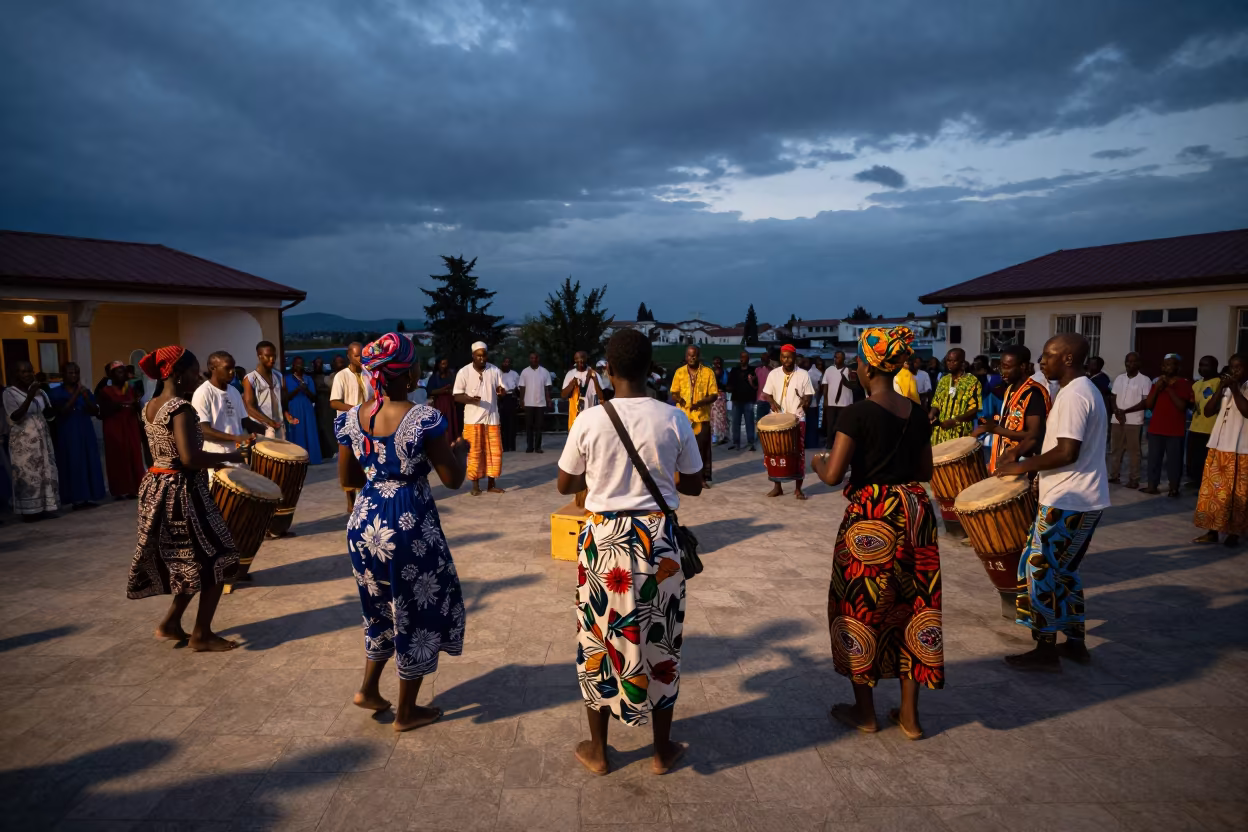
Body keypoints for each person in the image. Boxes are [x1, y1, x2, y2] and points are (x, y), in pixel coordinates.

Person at [556, 328, 703, 775]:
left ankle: (600, 752)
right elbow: (694, 484)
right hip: (659, 543)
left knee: (598, 640)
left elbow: (565, 483)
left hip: (603, 542)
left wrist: (602, 478)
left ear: (609, 369)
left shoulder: (590, 420)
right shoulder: (674, 418)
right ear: (650, 368)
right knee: (662, 640)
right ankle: (661, 752)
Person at [810, 325, 941, 739]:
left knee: (860, 609)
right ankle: (910, 716)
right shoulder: (917, 413)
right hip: (916, 512)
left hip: (873, 515)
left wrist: (818, 463)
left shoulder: (856, 413)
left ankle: (865, 713)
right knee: (915, 607)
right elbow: (924, 472)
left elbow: (832, 475)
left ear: (867, 368)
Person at [335, 333, 469, 731]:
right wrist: (459, 452)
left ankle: (369, 689)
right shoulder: (423, 417)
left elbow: (347, 477)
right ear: (407, 374)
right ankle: (407, 712)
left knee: (379, 609)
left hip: (364, 523)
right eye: (415, 364)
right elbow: (453, 479)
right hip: (408, 523)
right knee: (416, 611)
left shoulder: (352, 419)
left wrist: (378, 466)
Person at [995, 334, 1109, 671]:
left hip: (1072, 499)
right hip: (1072, 497)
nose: (1042, 362)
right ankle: (1075, 643)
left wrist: (1020, 466)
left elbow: (1067, 451)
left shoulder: (1075, 394)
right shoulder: (1078, 390)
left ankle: (1045, 649)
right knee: (1065, 573)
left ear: (1069, 358)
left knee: (1038, 569)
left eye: (1048, 356)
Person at [126, 346, 245, 652]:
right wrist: (228, 456)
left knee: (194, 563)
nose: (199, 375)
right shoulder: (181, 408)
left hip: (157, 486)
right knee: (222, 558)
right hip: (183, 491)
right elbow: (190, 457)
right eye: (194, 371)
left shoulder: (149, 406)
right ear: (177, 374)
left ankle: (170, 624)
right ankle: (201, 634)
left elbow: (149, 454)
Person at [1193, 355, 1247, 547]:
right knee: (1214, 493)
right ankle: (1212, 531)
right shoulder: (1225, 389)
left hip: (1240, 449)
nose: (1234, 371)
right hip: (1218, 446)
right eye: (1232, 367)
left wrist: (1234, 389)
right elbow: (1208, 411)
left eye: (1239, 367)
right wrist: (1219, 390)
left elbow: (1246, 411)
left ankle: (1234, 533)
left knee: (1236, 494)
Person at [974, 345, 1050, 473]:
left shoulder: (1033, 393)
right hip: (1004, 460)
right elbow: (1010, 422)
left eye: (1007, 367)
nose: (1002, 371)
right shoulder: (1009, 389)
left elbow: (1034, 435)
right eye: (1001, 366)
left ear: (1023, 367)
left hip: (1022, 465)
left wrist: (998, 430)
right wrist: (987, 426)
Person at [191, 352, 259, 484]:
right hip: (217, 461)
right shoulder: (203, 393)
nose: (232, 372)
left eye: (233, 368)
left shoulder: (234, 391)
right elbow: (203, 430)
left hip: (237, 457)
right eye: (227, 368)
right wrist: (236, 437)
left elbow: (244, 421)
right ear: (213, 368)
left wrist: (265, 431)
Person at [3, 361, 60, 521]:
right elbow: (15, 416)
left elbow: (49, 414)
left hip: (42, 438)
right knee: (28, 474)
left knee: (45, 472)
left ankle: (45, 507)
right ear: (16, 375)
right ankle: (28, 512)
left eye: (30, 371)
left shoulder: (40, 391)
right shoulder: (9, 393)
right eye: (23, 372)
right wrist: (29, 397)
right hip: (23, 441)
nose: (28, 374)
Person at [47, 362, 106, 509]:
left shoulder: (85, 391)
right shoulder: (55, 392)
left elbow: (95, 411)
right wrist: (76, 394)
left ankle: (88, 497)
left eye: (76, 373)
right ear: (63, 375)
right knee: (73, 462)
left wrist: (85, 396)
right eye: (70, 373)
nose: (74, 376)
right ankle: (76, 499)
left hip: (85, 429)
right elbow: (62, 412)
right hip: (68, 431)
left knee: (88, 461)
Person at [761, 344, 815, 500]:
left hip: (797, 419)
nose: (786, 360)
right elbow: (767, 394)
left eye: (789, 357)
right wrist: (772, 402)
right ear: (780, 358)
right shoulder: (774, 374)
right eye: (784, 357)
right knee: (775, 454)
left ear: (795, 357)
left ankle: (798, 489)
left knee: (798, 454)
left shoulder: (803, 374)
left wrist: (806, 402)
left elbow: (809, 395)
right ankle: (777, 487)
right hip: (776, 420)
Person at [453, 341, 507, 496]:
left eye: (484, 355)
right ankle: (475, 485)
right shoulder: (464, 372)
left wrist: (501, 392)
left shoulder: (495, 370)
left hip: (492, 418)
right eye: (478, 356)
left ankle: (491, 484)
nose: (482, 358)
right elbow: (457, 396)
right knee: (474, 453)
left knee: (494, 452)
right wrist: (470, 399)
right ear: (473, 356)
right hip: (472, 420)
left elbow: (502, 389)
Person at [1141, 353, 1192, 497]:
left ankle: (1174, 488)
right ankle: (1152, 486)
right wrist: (1157, 389)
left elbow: (1182, 406)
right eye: (1165, 364)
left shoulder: (1184, 384)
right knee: (1153, 460)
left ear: (1178, 367)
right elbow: (1149, 405)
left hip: (1175, 430)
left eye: (1171, 364)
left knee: (1174, 462)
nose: (1167, 367)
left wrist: (1169, 389)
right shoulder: (1157, 383)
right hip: (1156, 428)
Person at [331, 344, 376, 511]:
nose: (360, 359)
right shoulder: (341, 376)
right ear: (349, 356)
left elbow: (374, 396)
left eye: (362, 356)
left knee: (367, 461)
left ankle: (365, 496)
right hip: (348, 425)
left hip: (367, 425)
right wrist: (355, 408)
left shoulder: (368, 374)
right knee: (349, 463)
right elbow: (334, 402)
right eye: (357, 356)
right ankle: (350, 503)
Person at [668, 345, 719, 488]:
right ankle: (682, 479)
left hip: (701, 418)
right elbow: (674, 392)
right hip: (683, 418)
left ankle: (701, 478)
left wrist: (702, 402)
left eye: (695, 355)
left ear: (699, 356)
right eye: (690, 355)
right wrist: (679, 399)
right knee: (681, 450)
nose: (692, 357)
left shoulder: (708, 373)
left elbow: (714, 394)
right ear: (686, 357)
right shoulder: (679, 373)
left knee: (701, 449)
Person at [97, 360, 146, 499]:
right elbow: (102, 412)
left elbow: (138, 408)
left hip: (131, 425)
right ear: (111, 375)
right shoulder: (105, 391)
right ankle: (119, 490)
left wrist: (136, 403)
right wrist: (118, 406)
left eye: (123, 371)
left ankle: (135, 488)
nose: (122, 374)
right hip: (114, 427)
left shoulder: (131, 389)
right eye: (119, 372)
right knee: (117, 457)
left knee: (134, 455)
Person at [1108, 352, 1152, 489]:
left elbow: (1145, 403)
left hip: (1134, 421)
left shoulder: (1145, 380)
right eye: (1128, 361)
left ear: (1139, 364)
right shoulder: (1119, 378)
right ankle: (1114, 476)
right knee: (1115, 449)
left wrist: (1125, 412)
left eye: (1133, 362)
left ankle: (1134, 479)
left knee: (1134, 451)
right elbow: (1113, 397)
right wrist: (1116, 411)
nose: (1130, 364)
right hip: (1117, 420)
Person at [928, 348, 981, 445]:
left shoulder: (972, 381)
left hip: (961, 432)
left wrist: (955, 421)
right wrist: (931, 414)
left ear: (962, 363)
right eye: (948, 360)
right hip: (941, 431)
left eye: (954, 361)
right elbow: (936, 402)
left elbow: (974, 409)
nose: (950, 364)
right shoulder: (943, 380)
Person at [1188, 355, 1221, 488]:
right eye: (1200, 365)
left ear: (1214, 367)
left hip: (1210, 428)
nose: (1202, 368)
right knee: (1193, 458)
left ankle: (1205, 484)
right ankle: (1196, 481)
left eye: (1206, 365)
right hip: (1195, 426)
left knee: (1206, 460)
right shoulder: (1196, 384)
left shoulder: (1219, 382)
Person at [283, 356, 323, 465]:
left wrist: (305, 389)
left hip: (307, 408)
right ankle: (298, 459)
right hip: (294, 407)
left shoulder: (308, 379)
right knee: (297, 431)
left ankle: (312, 458)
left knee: (309, 432)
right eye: (297, 364)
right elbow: (285, 397)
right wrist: (298, 389)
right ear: (293, 365)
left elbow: (314, 397)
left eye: (301, 364)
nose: (299, 366)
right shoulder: (286, 379)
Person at [243, 340, 286, 440]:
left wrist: (287, 415)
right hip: (261, 428)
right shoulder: (250, 379)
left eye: (274, 356)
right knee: (266, 455)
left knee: (282, 455)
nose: (272, 359)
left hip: (279, 426)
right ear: (260, 356)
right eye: (268, 356)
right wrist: (268, 421)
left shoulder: (279, 376)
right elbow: (249, 408)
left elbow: (283, 401)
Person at [562, 351, 609, 430]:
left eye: (583, 360)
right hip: (575, 418)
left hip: (590, 417)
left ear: (586, 360)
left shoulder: (594, 374)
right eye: (578, 361)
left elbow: (601, 396)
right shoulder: (570, 374)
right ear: (575, 360)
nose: (581, 363)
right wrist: (572, 385)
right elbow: (563, 395)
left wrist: (595, 380)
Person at [518, 352, 553, 453]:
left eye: (535, 358)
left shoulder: (545, 372)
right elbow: (522, 387)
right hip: (528, 403)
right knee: (528, 426)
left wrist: (548, 399)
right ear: (529, 359)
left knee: (539, 426)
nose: (534, 360)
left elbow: (547, 387)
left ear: (538, 359)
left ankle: (538, 447)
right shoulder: (524, 372)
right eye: (532, 358)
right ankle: (529, 446)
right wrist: (521, 400)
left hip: (540, 403)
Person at [726, 351, 758, 451]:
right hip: (736, 399)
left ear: (748, 359)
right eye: (741, 357)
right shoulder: (734, 370)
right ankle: (736, 443)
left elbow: (756, 386)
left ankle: (750, 442)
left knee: (749, 422)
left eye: (744, 357)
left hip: (748, 400)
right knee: (735, 422)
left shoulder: (753, 370)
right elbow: (729, 384)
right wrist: (728, 388)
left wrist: (752, 381)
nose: (742, 359)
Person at [822, 351, 853, 449]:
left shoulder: (849, 370)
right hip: (831, 403)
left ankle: (842, 445)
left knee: (843, 425)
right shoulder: (829, 370)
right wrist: (825, 400)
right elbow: (825, 385)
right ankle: (829, 444)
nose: (836, 359)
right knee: (830, 425)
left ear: (843, 359)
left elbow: (854, 385)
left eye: (839, 357)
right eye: (835, 357)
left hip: (845, 403)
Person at [424, 357, 458, 437]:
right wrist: (443, 390)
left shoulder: (451, 375)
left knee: (451, 423)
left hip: (450, 403)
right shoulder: (434, 377)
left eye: (446, 364)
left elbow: (455, 388)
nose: (444, 366)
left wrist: (450, 391)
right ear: (438, 365)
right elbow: (430, 391)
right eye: (442, 364)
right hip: (439, 404)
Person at [313, 356, 338, 459]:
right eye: (317, 363)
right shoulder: (311, 376)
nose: (319, 365)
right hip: (318, 406)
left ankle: (332, 450)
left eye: (321, 363)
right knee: (320, 428)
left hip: (327, 406)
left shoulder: (327, 376)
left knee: (328, 427)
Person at [498, 356, 520, 453]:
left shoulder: (515, 374)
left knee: (511, 423)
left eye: (508, 362)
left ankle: (512, 446)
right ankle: (504, 446)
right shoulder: (497, 373)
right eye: (505, 362)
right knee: (502, 423)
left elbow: (519, 388)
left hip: (511, 398)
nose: (506, 364)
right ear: (502, 363)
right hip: (500, 399)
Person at [710, 355, 730, 446]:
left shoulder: (725, 372)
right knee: (715, 418)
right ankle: (716, 436)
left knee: (721, 417)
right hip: (714, 397)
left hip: (721, 396)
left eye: (719, 362)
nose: (717, 364)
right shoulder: (711, 372)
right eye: (715, 362)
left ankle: (722, 436)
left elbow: (728, 384)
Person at [754, 352, 773, 427]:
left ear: (769, 359)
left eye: (765, 358)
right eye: (762, 358)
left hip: (770, 400)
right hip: (760, 399)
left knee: (770, 423)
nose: (763, 360)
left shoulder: (773, 371)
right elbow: (755, 386)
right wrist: (751, 381)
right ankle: (759, 438)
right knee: (760, 422)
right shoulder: (757, 370)